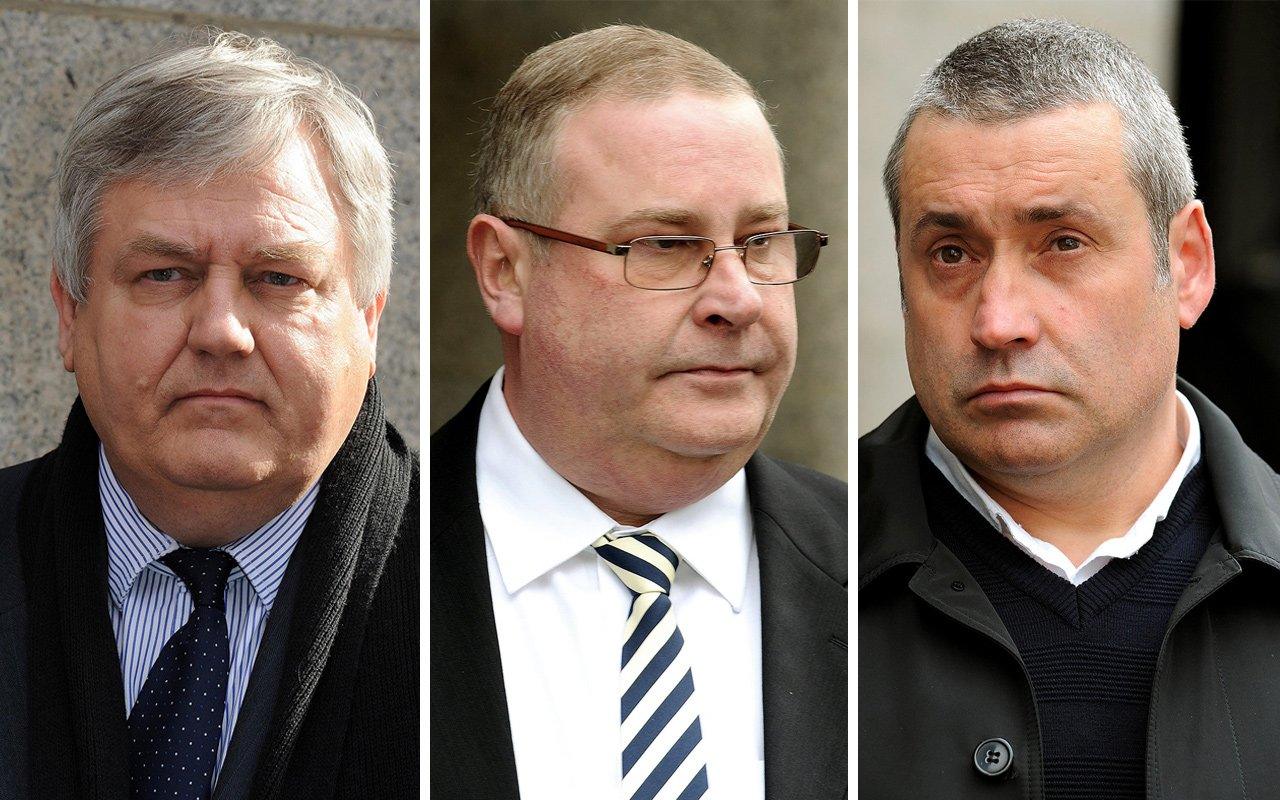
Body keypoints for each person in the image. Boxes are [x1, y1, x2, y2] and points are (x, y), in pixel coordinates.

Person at [860, 18, 1280, 798]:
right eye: (951, 254)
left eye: (1063, 243)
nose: (998, 320)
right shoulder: (791, 579)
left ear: (1185, 266)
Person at [431, 24, 846, 800]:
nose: (737, 298)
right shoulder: (363, 569)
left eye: (760, 241)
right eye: (663, 245)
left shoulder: (891, 575)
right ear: (505, 272)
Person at [0, 32, 417, 799]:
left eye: (279, 277)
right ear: (69, 316)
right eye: (164, 274)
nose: (221, 331)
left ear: (369, 322)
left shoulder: (485, 590)